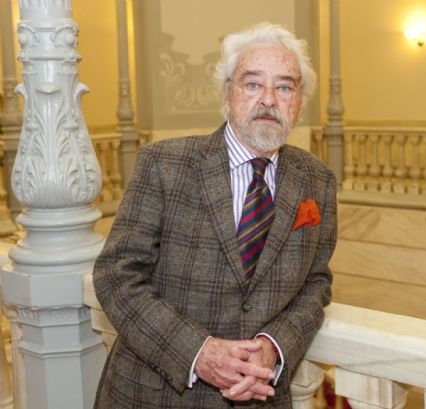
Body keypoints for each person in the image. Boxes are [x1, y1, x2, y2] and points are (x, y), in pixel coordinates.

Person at [93, 22, 336, 408]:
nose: (269, 100)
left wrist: (275, 346)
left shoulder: (318, 182)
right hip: (155, 395)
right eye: (252, 84)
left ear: (299, 103)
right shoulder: (164, 164)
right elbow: (116, 276)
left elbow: (316, 283)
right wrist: (198, 353)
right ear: (227, 95)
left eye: (285, 87)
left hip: (260, 396)